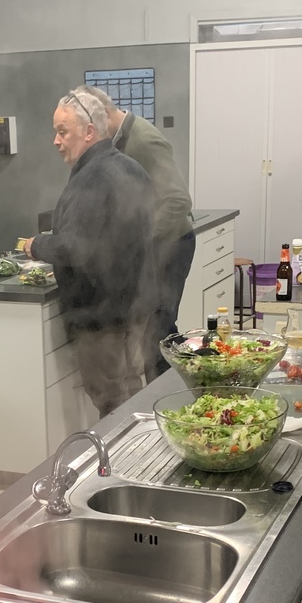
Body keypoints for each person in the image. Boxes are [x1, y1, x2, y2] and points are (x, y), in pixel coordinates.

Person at [21, 90, 154, 417]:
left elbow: (74, 247)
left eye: (63, 132)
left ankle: (121, 450)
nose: (56, 141)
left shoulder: (91, 179)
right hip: (134, 307)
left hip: (99, 316)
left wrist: (36, 245)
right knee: (132, 390)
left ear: (89, 132)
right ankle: (141, 447)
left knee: (111, 402)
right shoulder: (131, 167)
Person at [73, 85, 195, 381]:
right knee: (157, 331)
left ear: (101, 114)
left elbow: (178, 201)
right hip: (153, 248)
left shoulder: (144, 139)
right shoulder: (118, 140)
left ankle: (167, 401)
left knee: (157, 335)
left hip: (170, 246)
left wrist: (137, 241)